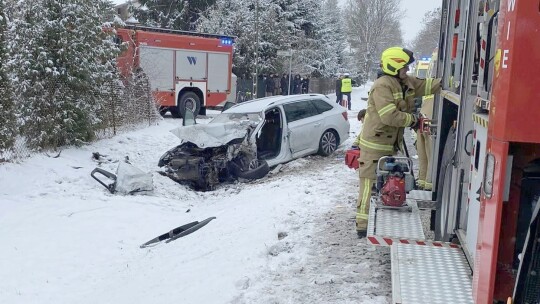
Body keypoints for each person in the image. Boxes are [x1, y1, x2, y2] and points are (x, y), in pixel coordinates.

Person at [354, 47, 442, 238]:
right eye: (404, 67)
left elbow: (424, 86)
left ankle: (379, 212)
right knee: (368, 183)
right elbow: (388, 116)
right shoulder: (382, 86)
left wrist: (446, 84)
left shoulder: (404, 82)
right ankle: (362, 224)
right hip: (374, 144)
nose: (407, 70)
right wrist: (412, 120)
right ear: (394, 66)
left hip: (389, 143)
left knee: (385, 180)